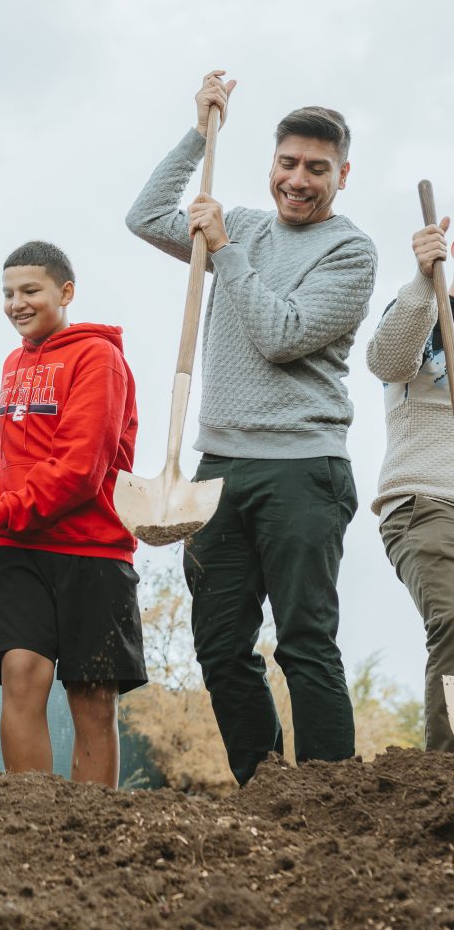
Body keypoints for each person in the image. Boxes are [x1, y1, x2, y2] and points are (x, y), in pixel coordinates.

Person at [125, 70, 377, 785]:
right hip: (217, 472)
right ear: (273, 164)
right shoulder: (246, 222)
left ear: (343, 175)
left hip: (304, 469)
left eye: (317, 169)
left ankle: (329, 799)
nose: (298, 180)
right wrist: (201, 133)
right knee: (220, 646)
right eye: (288, 163)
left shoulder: (350, 252)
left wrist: (226, 249)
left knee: (304, 643)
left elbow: (279, 334)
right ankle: (266, 788)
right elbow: (145, 216)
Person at [0, 241, 146, 787]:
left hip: (92, 549)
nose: (17, 303)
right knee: (20, 672)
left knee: (91, 696)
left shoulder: (99, 358)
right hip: (21, 546)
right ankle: (30, 818)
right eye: (8, 293)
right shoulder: (14, 362)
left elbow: (82, 466)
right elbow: (12, 452)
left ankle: (89, 828)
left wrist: (4, 509)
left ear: (65, 292)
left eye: (30, 291)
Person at [367, 218, 454, 752]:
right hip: (423, 502)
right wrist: (424, 279)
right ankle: (445, 770)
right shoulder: (426, 312)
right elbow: (387, 359)